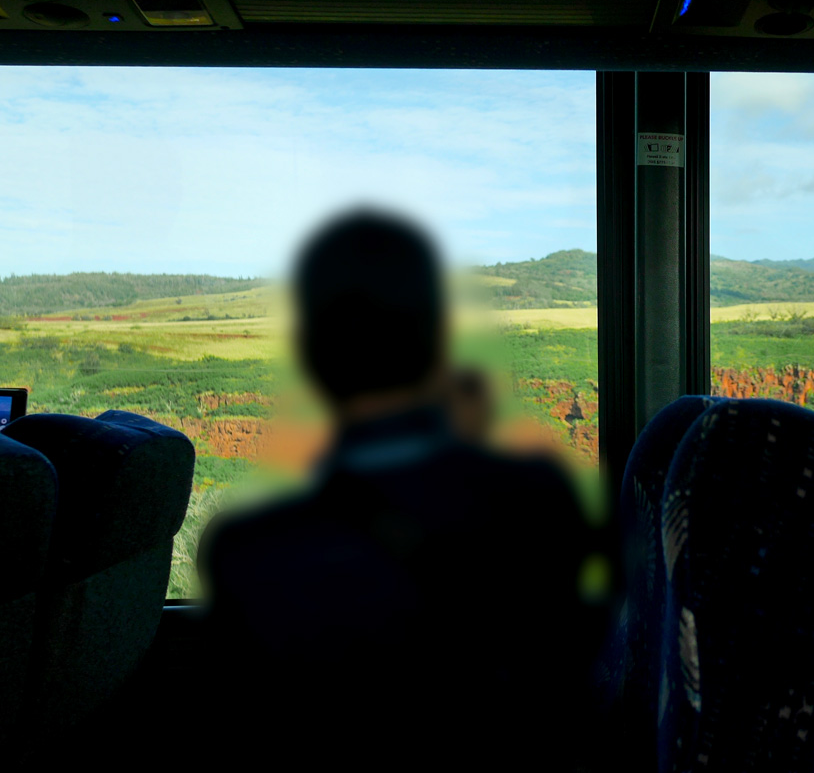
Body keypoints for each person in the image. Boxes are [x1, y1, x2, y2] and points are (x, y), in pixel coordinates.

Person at [195, 209, 601, 769]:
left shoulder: (243, 550)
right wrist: (464, 447)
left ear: (312, 355)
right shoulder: (538, 496)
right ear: (437, 343)